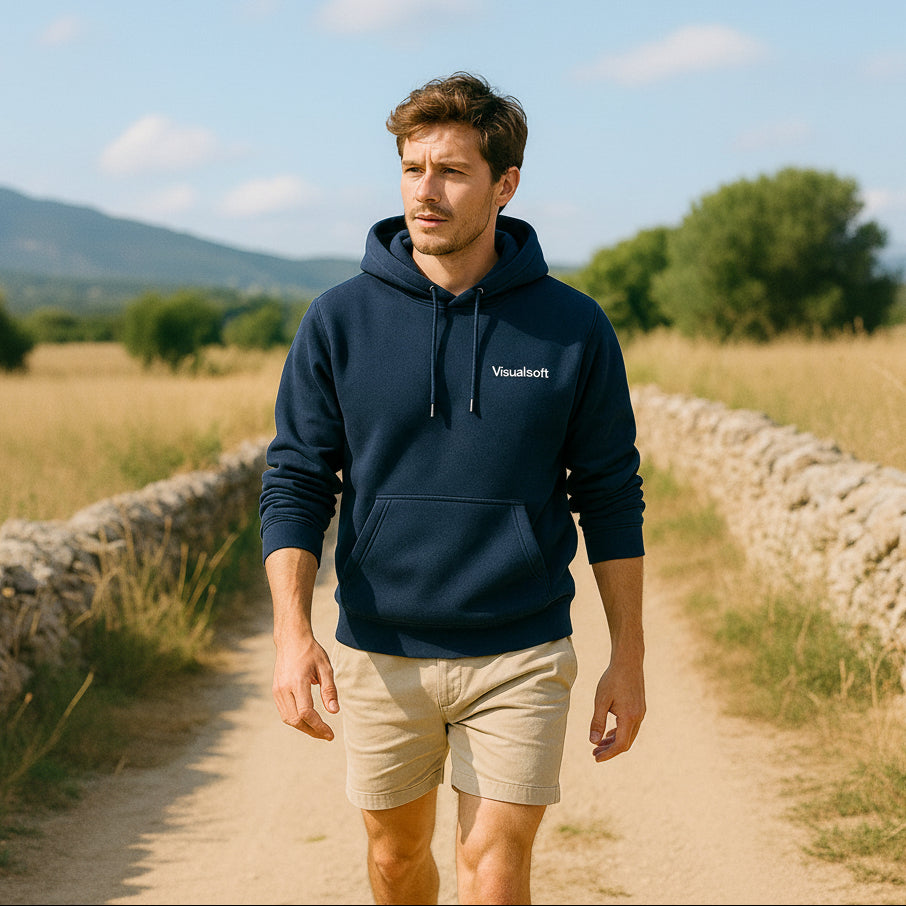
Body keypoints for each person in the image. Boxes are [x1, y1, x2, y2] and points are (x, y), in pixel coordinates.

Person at [260, 71, 646, 905]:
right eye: (410, 169)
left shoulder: (573, 327)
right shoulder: (337, 321)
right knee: (397, 860)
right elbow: (295, 481)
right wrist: (293, 632)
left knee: (495, 869)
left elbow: (611, 495)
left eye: (450, 172)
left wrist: (630, 654)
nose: (423, 193)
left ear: (505, 184)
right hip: (379, 649)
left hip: (522, 650)